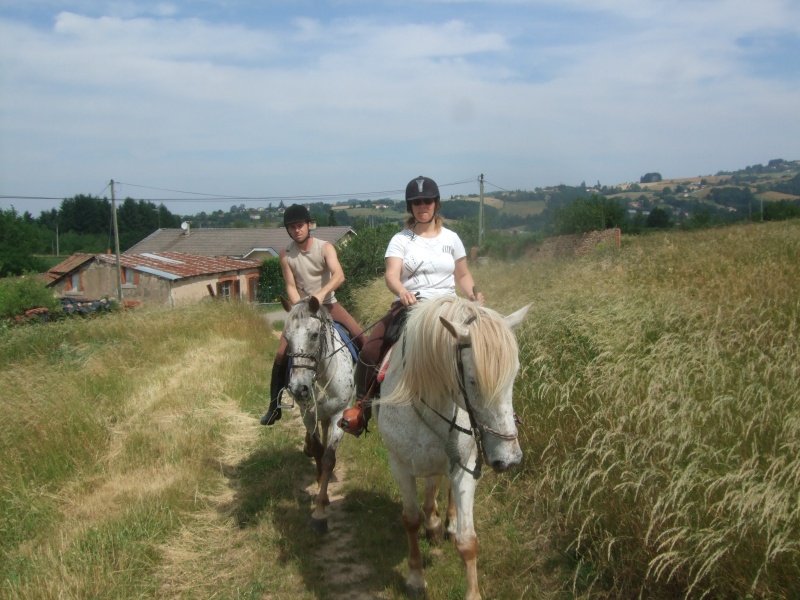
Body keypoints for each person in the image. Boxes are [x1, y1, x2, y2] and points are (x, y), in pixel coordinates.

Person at [339, 175, 484, 436]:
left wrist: (472, 293)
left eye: (427, 200)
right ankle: (362, 409)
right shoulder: (401, 239)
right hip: (411, 305)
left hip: (448, 306)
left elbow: (462, 274)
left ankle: (493, 409)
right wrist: (401, 291)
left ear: (436, 204)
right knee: (370, 352)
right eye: (416, 202)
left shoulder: (451, 238)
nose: (422, 205)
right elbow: (391, 275)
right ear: (410, 207)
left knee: (485, 345)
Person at [261, 204, 364, 425]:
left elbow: (339, 275)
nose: (296, 230)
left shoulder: (325, 247)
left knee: (362, 339)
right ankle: (275, 405)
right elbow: (290, 285)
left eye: (299, 225)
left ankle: (367, 399)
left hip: (329, 304)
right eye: (291, 227)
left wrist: (321, 294)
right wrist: (301, 306)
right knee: (281, 355)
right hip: (302, 310)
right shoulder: (286, 254)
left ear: (309, 225)